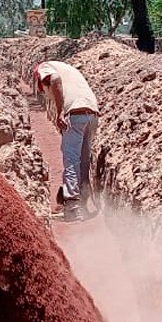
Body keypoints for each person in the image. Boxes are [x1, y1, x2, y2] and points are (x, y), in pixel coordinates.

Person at [34, 60, 99, 221]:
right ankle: (84, 203)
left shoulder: (44, 68)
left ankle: (72, 206)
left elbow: (54, 80)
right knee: (84, 161)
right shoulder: (69, 69)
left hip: (74, 114)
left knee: (71, 160)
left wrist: (60, 112)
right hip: (92, 114)